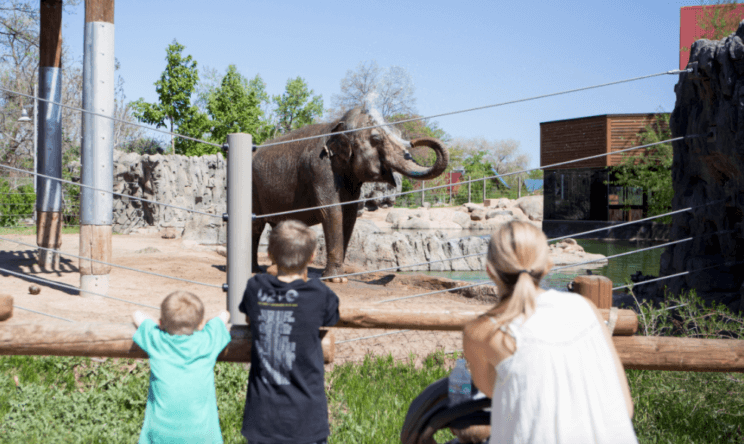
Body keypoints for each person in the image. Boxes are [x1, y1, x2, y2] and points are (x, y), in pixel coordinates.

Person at [462, 221, 638, 444]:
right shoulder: (586, 309)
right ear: (548, 265)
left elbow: (490, 394)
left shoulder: (482, 332)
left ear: (489, 270)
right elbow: (625, 407)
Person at [239, 220, 340, 444]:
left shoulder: (256, 288)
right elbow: (331, 318)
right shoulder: (319, 294)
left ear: (269, 255)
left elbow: (248, 315)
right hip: (307, 418)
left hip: (262, 418)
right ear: (312, 257)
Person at [132, 291, 231, 444]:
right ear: (200, 324)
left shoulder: (158, 341)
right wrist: (207, 324)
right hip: (202, 436)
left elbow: (137, 314)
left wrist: (159, 325)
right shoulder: (206, 341)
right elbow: (224, 315)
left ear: (161, 322)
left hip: (160, 436)